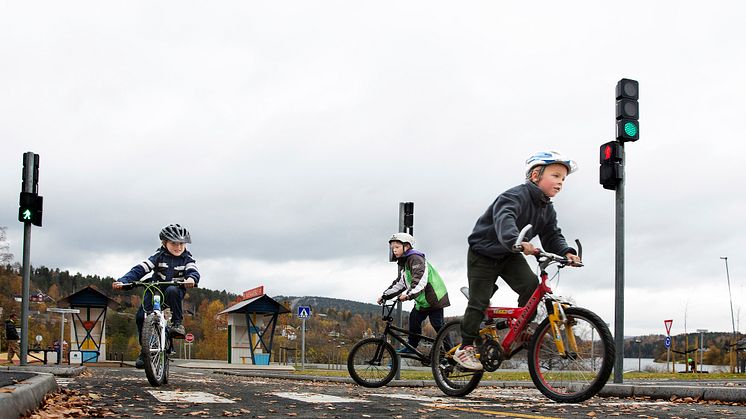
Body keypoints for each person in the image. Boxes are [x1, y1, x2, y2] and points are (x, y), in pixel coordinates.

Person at [454, 151, 582, 370]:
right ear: (535, 175)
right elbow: (506, 219)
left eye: (563, 178)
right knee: (480, 301)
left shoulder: (547, 209)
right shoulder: (514, 196)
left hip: (509, 255)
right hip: (484, 252)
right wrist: (517, 241)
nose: (560, 182)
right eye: (555, 175)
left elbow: (552, 235)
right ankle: (464, 348)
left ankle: (521, 329)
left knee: (532, 287)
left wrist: (567, 252)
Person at [112, 223, 200, 369]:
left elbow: (193, 271)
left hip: (174, 290)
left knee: (172, 290)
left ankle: (177, 324)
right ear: (164, 243)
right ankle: (144, 351)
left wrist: (191, 279)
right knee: (141, 317)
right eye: (173, 243)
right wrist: (124, 281)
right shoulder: (158, 257)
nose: (178, 247)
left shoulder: (187, 259)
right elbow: (140, 269)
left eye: (181, 244)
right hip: (155, 288)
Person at [377, 233, 450, 353]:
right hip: (422, 300)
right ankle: (412, 347)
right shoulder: (405, 263)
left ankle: (450, 351)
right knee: (414, 320)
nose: (394, 250)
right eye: (392, 248)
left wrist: (408, 295)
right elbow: (400, 283)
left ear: (407, 246)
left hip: (434, 298)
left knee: (438, 325)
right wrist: (385, 295)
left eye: (397, 247)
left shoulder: (416, 259)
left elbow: (419, 280)